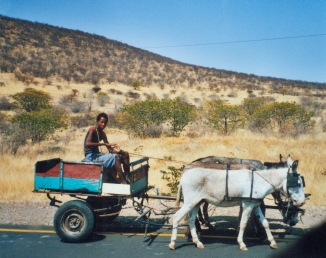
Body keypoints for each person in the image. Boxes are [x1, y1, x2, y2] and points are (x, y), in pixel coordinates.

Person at [84, 112, 130, 184]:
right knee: (116, 157)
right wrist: (104, 143)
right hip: (91, 156)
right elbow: (87, 143)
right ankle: (123, 181)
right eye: (101, 122)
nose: (103, 124)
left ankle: (127, 177)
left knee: (125, 154)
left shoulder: (102, 133)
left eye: (105, 123)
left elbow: (110, 150)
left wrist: (120, 152)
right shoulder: (92, 129)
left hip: (98, 155)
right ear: (97, 122)